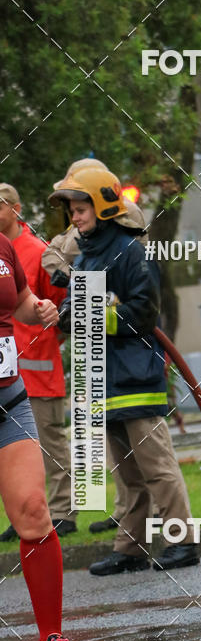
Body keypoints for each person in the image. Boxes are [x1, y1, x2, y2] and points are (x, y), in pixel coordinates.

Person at [50, 167, 199, 574]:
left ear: (103, 206)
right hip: (104, 380)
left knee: (157, 469)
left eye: (81, 210)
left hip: (135, 379)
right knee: (128, 475)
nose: (75, 218)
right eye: (73, 211)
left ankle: (182, 542)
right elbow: (84, 308)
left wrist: (90, 313)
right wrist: (67, 312)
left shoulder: (130, 251)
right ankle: (131, 549)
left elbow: (144, 314)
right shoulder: (88, 254)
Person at [42, 158, 147, 536]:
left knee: (133, 442)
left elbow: (62, 252)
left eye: (77, 202)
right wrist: (76, 277)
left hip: (120, 340)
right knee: (102, 434)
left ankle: (133, 515)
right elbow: (52, 254)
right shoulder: (84, 224)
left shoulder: (122, 217)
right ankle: (120, 513)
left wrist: (78, 276)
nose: (74, 212)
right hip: (92, 337)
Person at [0, 229, 87, 641]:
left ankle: (51, 638)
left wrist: (39, 309)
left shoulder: (2, 244)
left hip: (9, 398)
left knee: (35, 511)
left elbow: (19, 303)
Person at [0, 183, 76, 542]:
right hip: (14, 367)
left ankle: (63, 510)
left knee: (49, 440)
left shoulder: (32, 250)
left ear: (15, 210)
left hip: (36, 364)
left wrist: (48, 321)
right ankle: (22, 516)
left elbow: (62, 304)